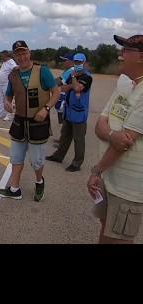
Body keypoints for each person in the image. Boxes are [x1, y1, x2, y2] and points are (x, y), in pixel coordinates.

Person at [88, 34, 143, 244]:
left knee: (118, 238)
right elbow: (100, 123)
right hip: (109, 178)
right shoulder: (125, 86)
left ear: (141, 57)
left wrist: (96, 170)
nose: (120, 53)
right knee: (105, 228)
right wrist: (112, 135)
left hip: (128, 188)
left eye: (126, 50)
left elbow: (124, 143)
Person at [0, 40, 60, 202]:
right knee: (16, 157)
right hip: (19, 121)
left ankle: (39, 181)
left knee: (36, 161)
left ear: (29, 53)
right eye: (18, 54)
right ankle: (15, 189)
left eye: (24, 53)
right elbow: (9, 95)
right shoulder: (13, 74)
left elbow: (56, 92)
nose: (22, 57)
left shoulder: (42, 71)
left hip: (38, 121)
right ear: (14, 57)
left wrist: (46, 109)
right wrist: (7, 103)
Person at [46, 53, 93, 171]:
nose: (77, 64)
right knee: (65, 136)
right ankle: (58, 156)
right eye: (76, 62)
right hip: (69, 111)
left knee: (79, 139)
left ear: (85, 63)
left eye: (79, 62)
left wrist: (72, 81)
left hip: (79, 113)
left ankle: (77, 163)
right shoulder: (73, 75)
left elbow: (77, 88)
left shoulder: (87, 77)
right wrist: (72, 85)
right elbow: (62, 88)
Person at [52, 54, 75, 146]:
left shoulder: (71, 70)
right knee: (63, 119)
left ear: (70, 61)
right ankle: (62, 139)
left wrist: (47, 82)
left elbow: (59, 81)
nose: (63, 62)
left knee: (64, 120)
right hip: (65, 97)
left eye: (65, 60)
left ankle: (63, 141)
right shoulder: (70, 70)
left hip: (66, 98)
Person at [0, 50, 17, 121]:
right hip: (1, 84)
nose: (1, 57)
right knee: (0, 99)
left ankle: (9, 115)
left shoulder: (11, 62)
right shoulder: (4, 62)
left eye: (2, 55)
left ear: (5, 55)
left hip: (7, 84)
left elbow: (15, 68)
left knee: (8, 100)